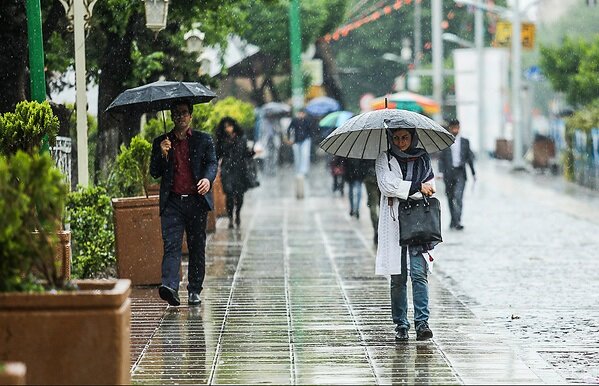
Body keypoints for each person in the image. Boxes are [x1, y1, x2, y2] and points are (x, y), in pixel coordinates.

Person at [150, 101, 217, 307]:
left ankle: (194, 289)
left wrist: (207, 179)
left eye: (184, 113)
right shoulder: (161, 142)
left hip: (197, 201)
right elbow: (154, 172)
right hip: (173, 203)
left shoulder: (203, 140)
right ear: (171, 117)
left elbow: (212, 163)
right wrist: (162, 154)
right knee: (172, 245)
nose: (180, 117)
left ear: (191, 116)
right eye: (176, 114)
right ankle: (170, 287)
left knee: (197, 247)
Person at [375, 127, 436, 342]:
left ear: (412, 138)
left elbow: (431, 186)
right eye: (397, 138)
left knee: (419, 273)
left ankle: (422, 323)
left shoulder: (422, 158)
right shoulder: (385, 159)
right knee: (398, 277)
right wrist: (416, 188)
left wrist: (409, 189)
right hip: (394, 222)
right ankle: (401, 324)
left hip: (418, 221)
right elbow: (387, 185)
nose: (401, 142)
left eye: (405, 137)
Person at [214, 117, 256, 229]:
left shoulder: (241, 138)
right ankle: (230, 218)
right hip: (227, 170)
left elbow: (246, 153)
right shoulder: (221, 140)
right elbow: (217, 155)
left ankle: (237, 214)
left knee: (240, 196)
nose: (228, 129)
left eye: (230, 126)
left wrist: (253, 152)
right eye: (226, 127)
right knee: (229, 194)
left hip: (240, 170)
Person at [438, 119, 476, 230]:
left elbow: (469, 158)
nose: (455, 130)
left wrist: (473, 173)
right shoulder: (445, 141)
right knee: (450, 197)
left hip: (460, 173)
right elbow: (441, 159)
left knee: (458, 197)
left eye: (457, 127)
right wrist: (440, 172)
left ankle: (457, 221)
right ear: (449, 128)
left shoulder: (465, 141)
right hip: (448, 173)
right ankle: (453, 219)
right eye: (453, 127)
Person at [286, 109, 316, 198]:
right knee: (297, 156)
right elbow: (289, 129)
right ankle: (298, 169)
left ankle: (304, 170)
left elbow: (311, 129)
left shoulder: (307, 120)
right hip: (296, 141)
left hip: (305, 140)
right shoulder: (295, 120)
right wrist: (289, 138)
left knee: (304, 155)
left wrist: (310, 137)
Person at [362, 160, 380, 245]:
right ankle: (379, 227)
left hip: (370, 178)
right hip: (381, 178)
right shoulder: (385, 149)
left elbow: (362, 164)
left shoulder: (367, 149)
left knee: (373, 205)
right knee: (382, 206)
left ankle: (376, 227)